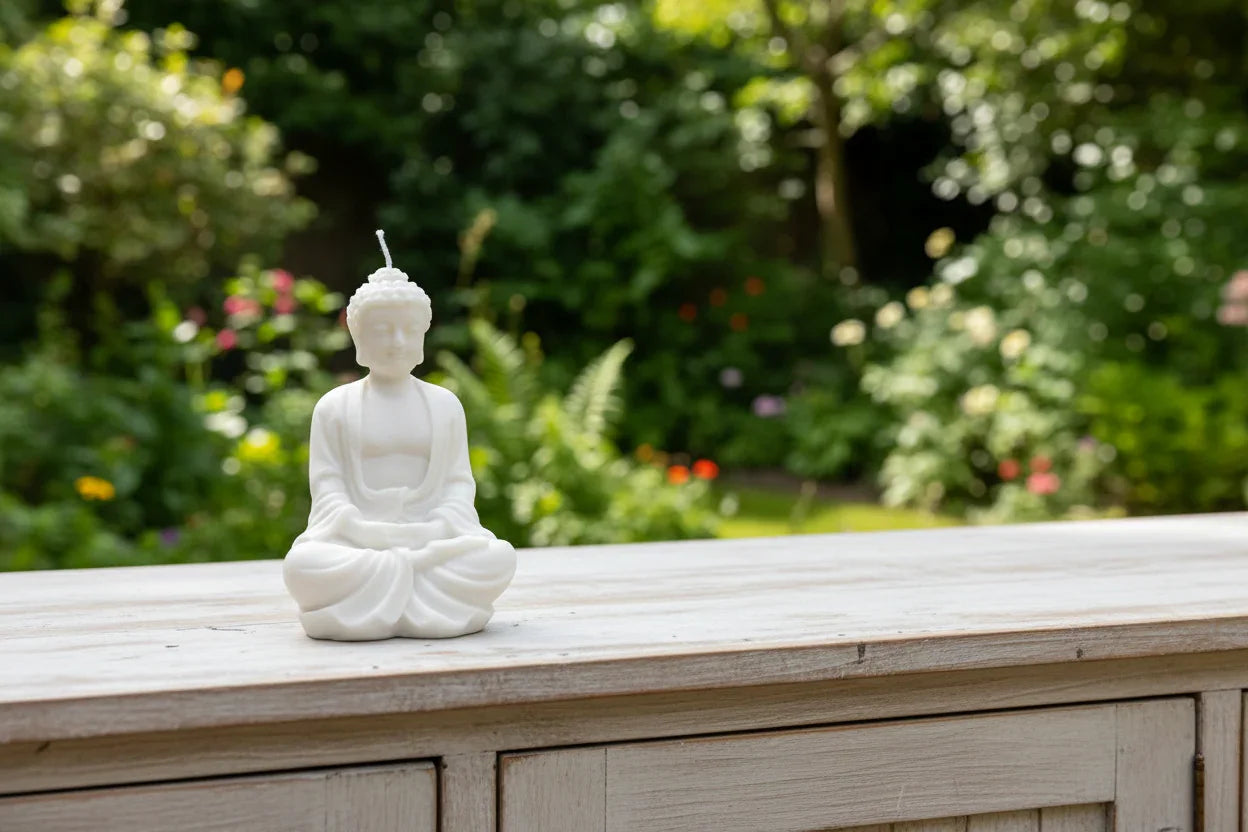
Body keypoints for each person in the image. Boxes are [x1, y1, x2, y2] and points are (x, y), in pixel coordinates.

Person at [282, 232, 516, 640]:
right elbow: (328, 489)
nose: (397, 343)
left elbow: (459, 485)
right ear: (357, 338)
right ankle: (411, 585)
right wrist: (363, 531)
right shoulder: (334, 408)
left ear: (424, 335)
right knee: (304, 567)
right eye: (382, 330)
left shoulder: (445, 406)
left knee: (496, 558)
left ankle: (384, 593)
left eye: (409, 330)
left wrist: (436, 528)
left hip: (432, 538)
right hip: (360, 542)